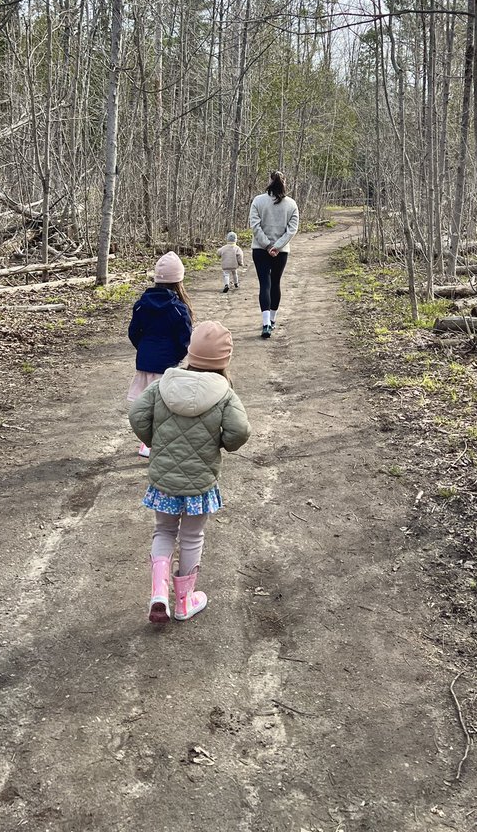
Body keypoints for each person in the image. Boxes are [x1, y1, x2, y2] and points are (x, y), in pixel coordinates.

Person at [129, 320, 251, 624]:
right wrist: (219, 443)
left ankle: (159, 592)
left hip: (164, 480)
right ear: (225, 360)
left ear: (190, 352)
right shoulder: (224, 394)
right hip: (199, 483)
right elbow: (239, 432)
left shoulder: (163, 384)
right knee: (192, 536)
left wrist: (154, 441)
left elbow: (137, 415)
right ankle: (184, 602)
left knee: (165, 531)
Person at [127, 251, 193, 459]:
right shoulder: (178, 309)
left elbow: (133, 332)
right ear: (179, 281)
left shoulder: (141, 304)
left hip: (145, 362)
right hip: (166, 365)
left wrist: (144, 349)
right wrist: (177, 356)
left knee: (147, 405)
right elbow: (185, 338)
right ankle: (160, 444)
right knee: (166, 406)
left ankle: (146, 443)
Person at [248, 170, 299, 339]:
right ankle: (273, 320)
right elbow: (292, 230)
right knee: (276, 282)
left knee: (265, 284)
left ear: (269, 181)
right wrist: (277, 246)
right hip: (281, 251)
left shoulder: (258, 201)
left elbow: (255, 226)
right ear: (284, 183)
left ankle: (265, 324)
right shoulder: (291, 204)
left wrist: (267, 245)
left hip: (260, 249)